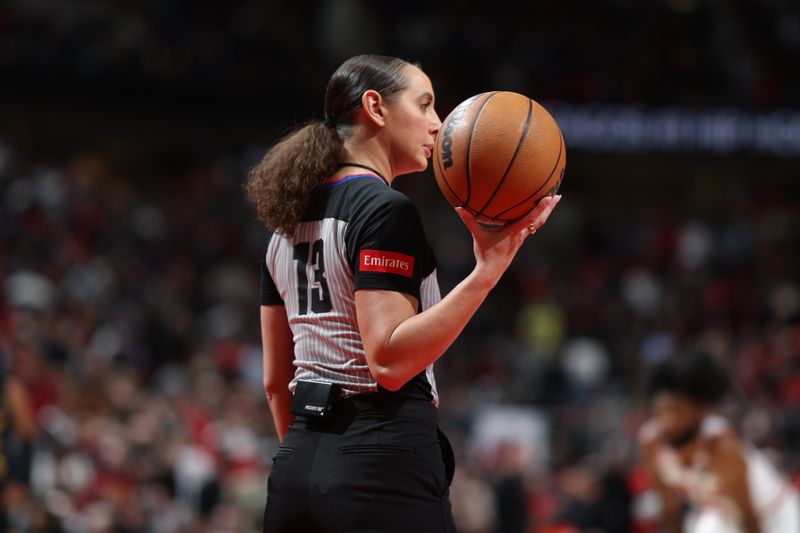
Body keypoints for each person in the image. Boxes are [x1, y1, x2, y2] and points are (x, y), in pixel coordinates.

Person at [245, 54, 560, 533]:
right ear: (375, 107)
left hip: (296, 467)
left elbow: (275, 383)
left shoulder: (285, 224)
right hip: (381, 463)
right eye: (426, 104)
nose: (438, 124)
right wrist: (487, 271)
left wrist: (321, 463)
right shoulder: (385, 210)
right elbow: (389, 361)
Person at [639, 352, 800, 533]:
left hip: (774, 515)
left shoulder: (721, 446)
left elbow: (749, 516)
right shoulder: (651, 443)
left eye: (678, 411)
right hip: (724, 514)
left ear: (698, 410)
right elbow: (669, 508)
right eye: (662, 411)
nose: (669, 420)